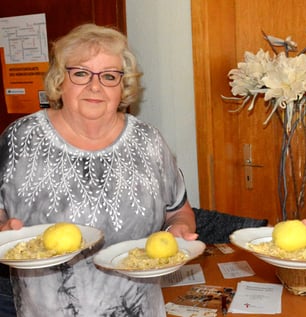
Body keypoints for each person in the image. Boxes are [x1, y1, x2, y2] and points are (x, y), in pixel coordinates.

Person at [0, 24, 198, 316]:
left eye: (109, 76)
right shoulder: (20, 138)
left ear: (123, 86)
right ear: (59, 80)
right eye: (80, 73)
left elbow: (179, 211)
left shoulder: (149, 142)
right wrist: (5, 232)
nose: (95, 86)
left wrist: (179, 230)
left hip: (139, 309)